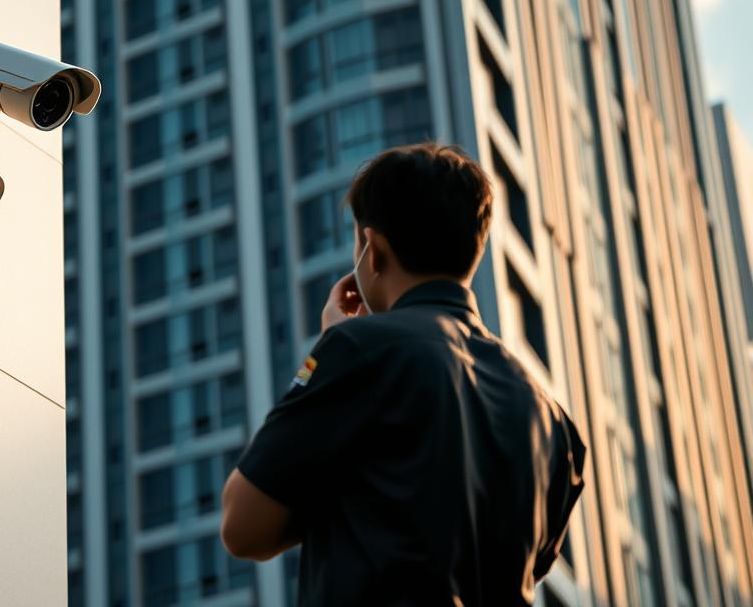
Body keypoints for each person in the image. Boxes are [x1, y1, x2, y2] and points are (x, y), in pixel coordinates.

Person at [220, 142, 587, 606]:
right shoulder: (552, 419)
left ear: (372, 250)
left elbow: (243, 527)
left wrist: (331, 355)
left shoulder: (359, 352)